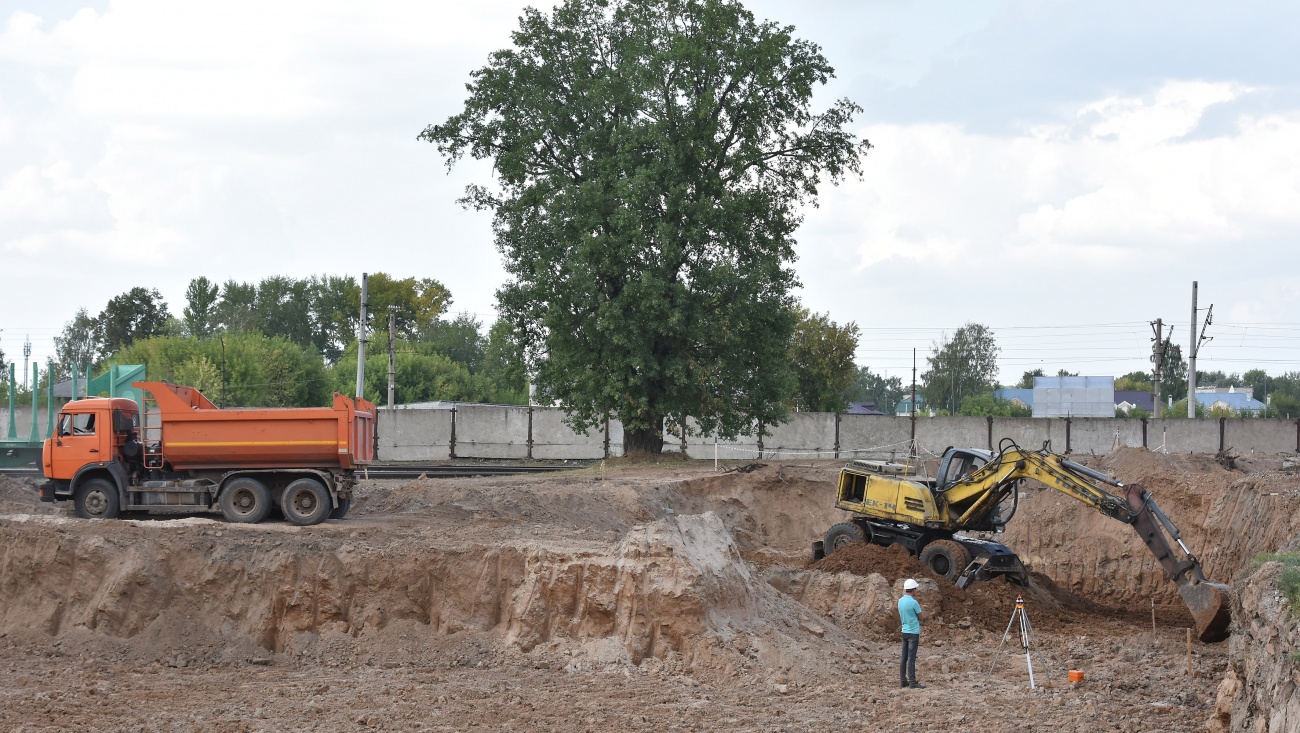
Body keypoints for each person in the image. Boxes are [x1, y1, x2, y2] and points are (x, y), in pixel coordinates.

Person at [898, 578, 925, 689]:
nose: (916, 591)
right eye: (916, 589)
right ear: (913, 590)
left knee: (904, 657)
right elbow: (921, 617)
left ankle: (903, 681)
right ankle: (912, 682)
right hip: (913, 632)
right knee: (911, 658)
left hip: (904, 631)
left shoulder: (900, 601)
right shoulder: (914, 603)